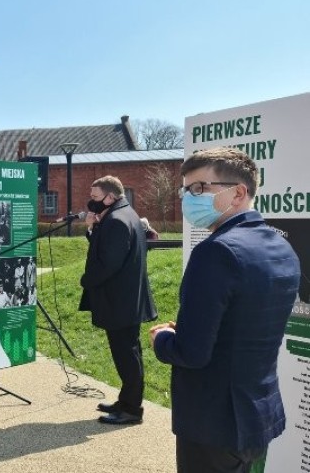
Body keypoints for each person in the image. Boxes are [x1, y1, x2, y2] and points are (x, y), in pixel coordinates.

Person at [151, 147, 300, 472]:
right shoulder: (281, 247)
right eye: (186, 190)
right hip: (257, 416)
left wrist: (162, 339)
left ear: (239, 192)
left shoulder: (215, 252)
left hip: (214, 423)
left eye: (200, 188)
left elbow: (192, 354)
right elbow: (243, 323)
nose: (189, 198)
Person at [79, 175, 157, 425]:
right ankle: (126, 401)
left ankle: (132, 410)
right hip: (125, 299)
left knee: (127, 355)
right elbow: (109, 248)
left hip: (121, 301)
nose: (91, 202)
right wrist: (93, 228)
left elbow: (108, 263)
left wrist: (87, 280)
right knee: (127, 353)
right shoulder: (126, 215)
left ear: (110, 196)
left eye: (94, 197)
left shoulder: (116, 220)